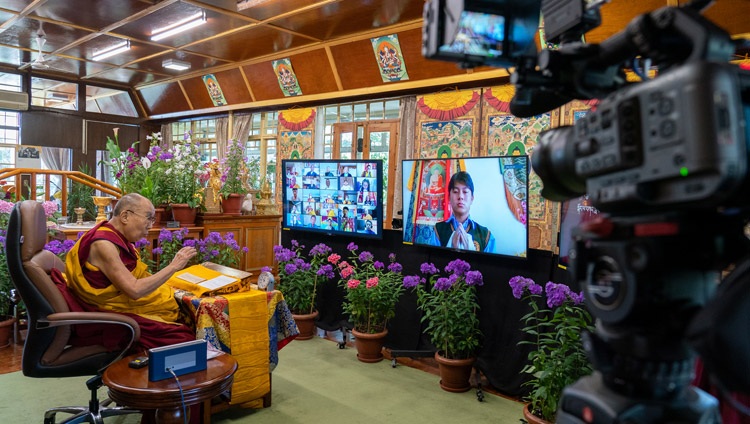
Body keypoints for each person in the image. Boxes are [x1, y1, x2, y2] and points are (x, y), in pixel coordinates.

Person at [63, 193, 198, 351]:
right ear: (125, 216)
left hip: (120, 308)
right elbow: (134, 290)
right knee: (182, 337)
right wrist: (173, 266)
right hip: (109, 316)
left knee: (183, 314)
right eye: (148, 217)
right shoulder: (103, 244)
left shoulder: (117, 237)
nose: (151, 225)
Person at [429, 171, 496, 252]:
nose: (460, 196)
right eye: (456, 192)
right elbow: (434, 262)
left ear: (472, 198)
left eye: (465, 192)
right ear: (449, 197)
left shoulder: (486, 236)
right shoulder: (438, 231)